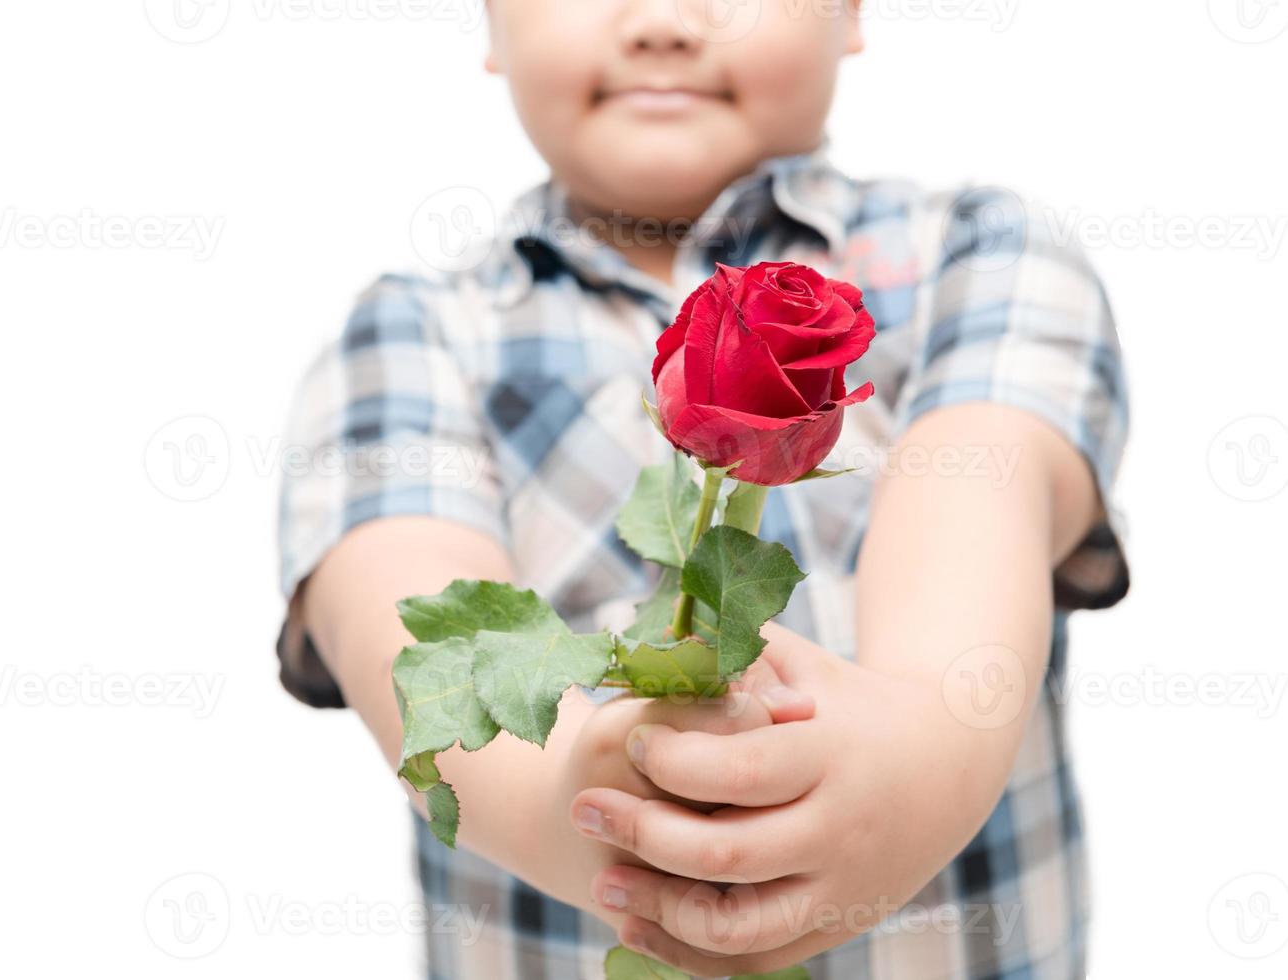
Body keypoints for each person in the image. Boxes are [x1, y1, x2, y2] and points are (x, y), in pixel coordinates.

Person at [276, 1, 1131, 976]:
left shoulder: (979, 256)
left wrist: (919, 748)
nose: (662, 21)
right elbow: (404, 631)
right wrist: (583, 808)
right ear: (488, 19)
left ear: (850, 11)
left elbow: (986, 490)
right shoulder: (411, 337)